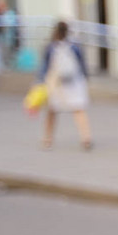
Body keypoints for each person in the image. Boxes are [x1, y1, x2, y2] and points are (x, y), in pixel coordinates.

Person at [38, 21, 92, 150]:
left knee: (52, 111)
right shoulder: (74, 45)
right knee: (79, 110)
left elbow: (45, 66)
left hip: (57, 83)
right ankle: (86, 137)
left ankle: (48, 138)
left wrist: (41, 81)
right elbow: (82, 63)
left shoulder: (51, 46)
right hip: (74, 82)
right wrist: (86, 77)